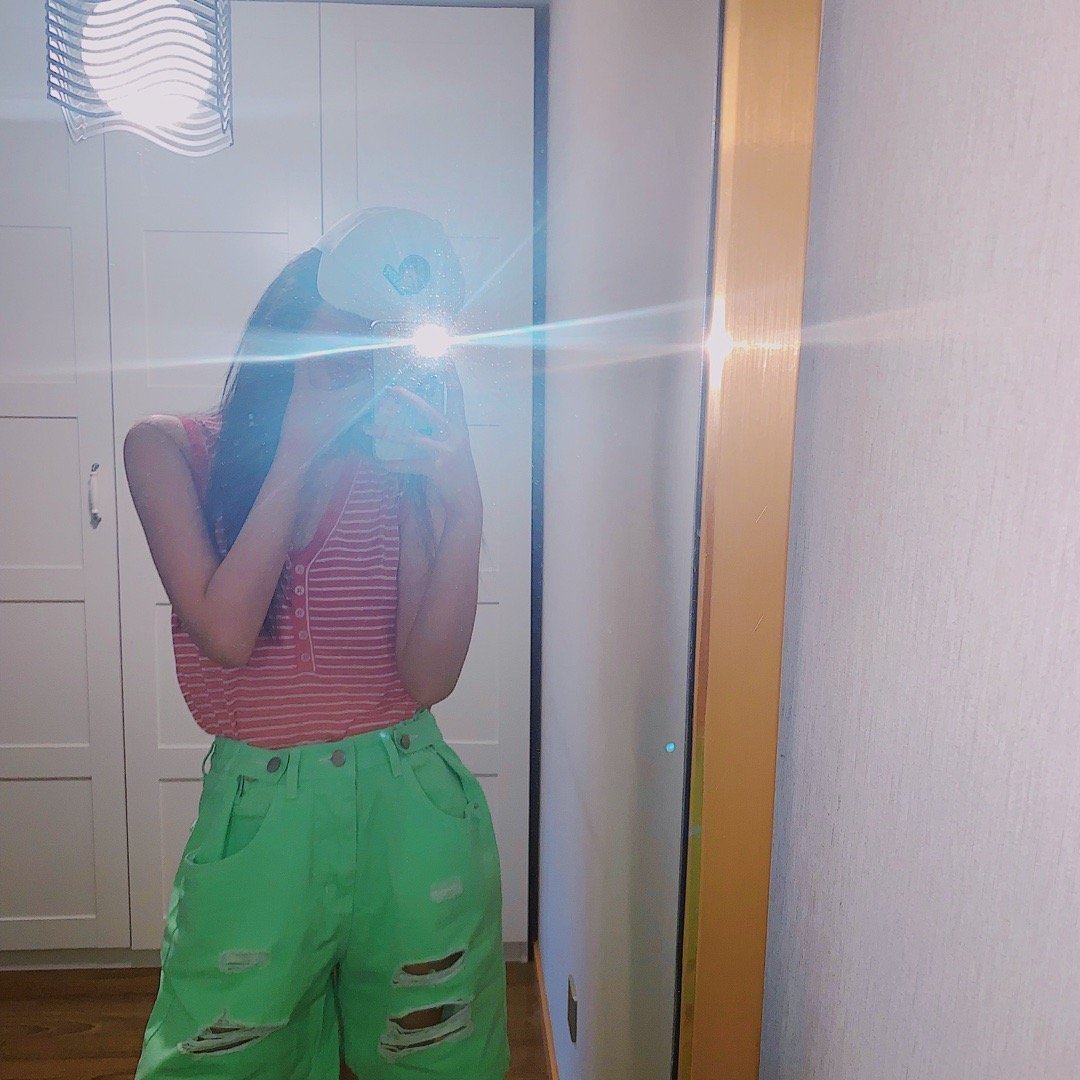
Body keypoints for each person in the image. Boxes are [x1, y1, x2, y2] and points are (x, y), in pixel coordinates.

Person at [125, 208, 509, 1078]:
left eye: (382, 345)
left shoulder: (401, 462)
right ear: (282, 340)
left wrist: (463, 502)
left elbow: (429, 676)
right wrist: (297, 448)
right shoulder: (169, 449)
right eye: (342, 339)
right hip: (264, 822)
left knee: (432, 1055)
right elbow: (225, 634)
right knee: (222, 1057)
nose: (359, 364)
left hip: (411, 805)